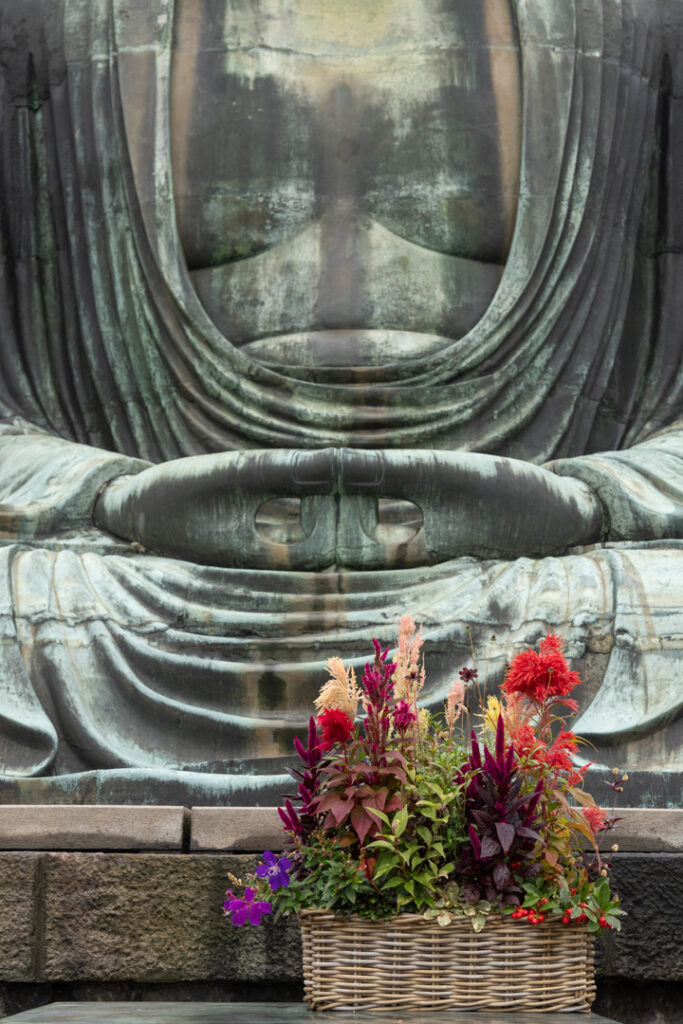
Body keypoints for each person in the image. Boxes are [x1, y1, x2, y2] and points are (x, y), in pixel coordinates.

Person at [0, 0, 681, 804]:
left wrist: (588, 502)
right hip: (150, 581)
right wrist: (110, 497)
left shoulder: (639, 23)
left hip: (538, 570)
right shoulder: (51, 24)